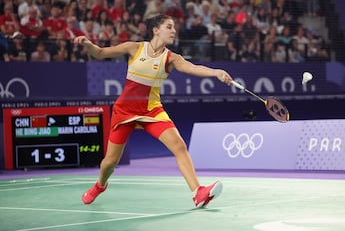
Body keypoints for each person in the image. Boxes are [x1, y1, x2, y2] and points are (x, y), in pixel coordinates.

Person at [73, 14, 233, 208]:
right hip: (124, 112)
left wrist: (215, 72)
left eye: (174, 27)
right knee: (109, 163)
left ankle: (198, 192)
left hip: (152, 111)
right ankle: (100, 185)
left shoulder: (171, 58)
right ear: (156, 30)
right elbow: (100, 53)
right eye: (169, 26)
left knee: (179, 145)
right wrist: (88, 44)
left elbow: (192, 67)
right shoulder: (134, 48)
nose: (173, 30)